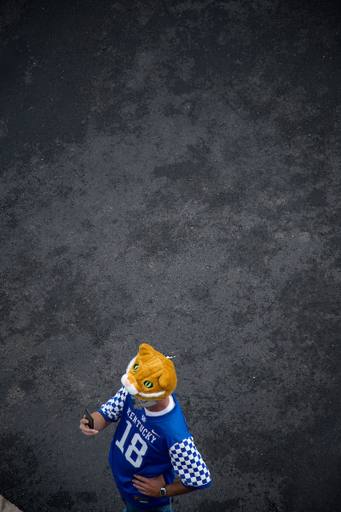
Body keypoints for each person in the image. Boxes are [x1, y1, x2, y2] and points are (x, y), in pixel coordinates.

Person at [79, 343, 212, 511]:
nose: (131, 397)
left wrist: (162, 491)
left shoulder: (174, 434)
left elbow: (200, 478)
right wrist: (91, 423)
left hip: (146, 502)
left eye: (137, 396)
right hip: (126, 486)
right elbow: (108, 413)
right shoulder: (138, 391)